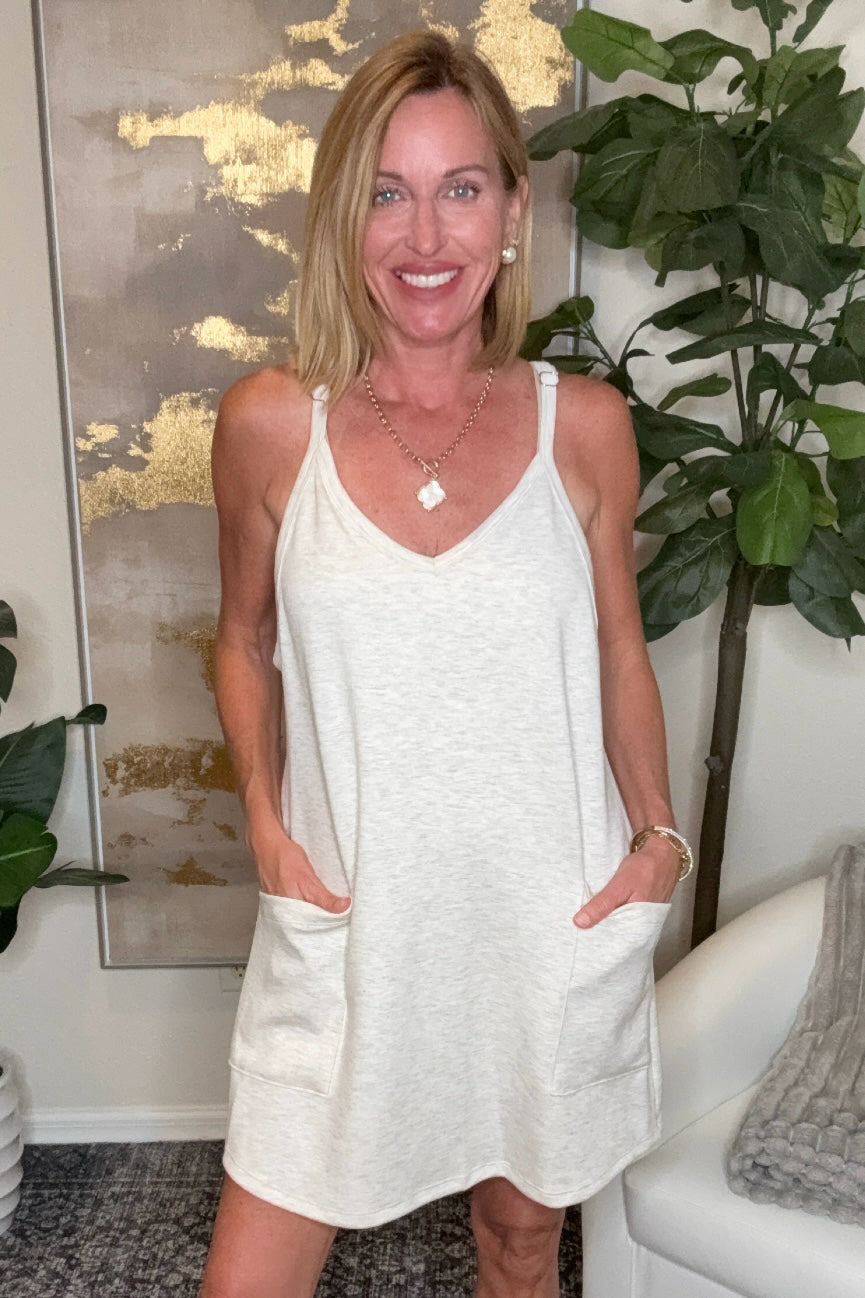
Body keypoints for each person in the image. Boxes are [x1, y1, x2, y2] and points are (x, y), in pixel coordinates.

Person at [199, 29, 691, 1298]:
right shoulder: (269, 425)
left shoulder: (584, 428)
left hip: (543, 920)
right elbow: (242, 638)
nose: (426, 236)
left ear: (512, 210)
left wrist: (656, 836)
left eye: (460, 188)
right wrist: (264, 821)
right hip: (351, 915)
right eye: (387, 192)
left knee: (521, 1243)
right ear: (343, 217)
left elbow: (619, 645)